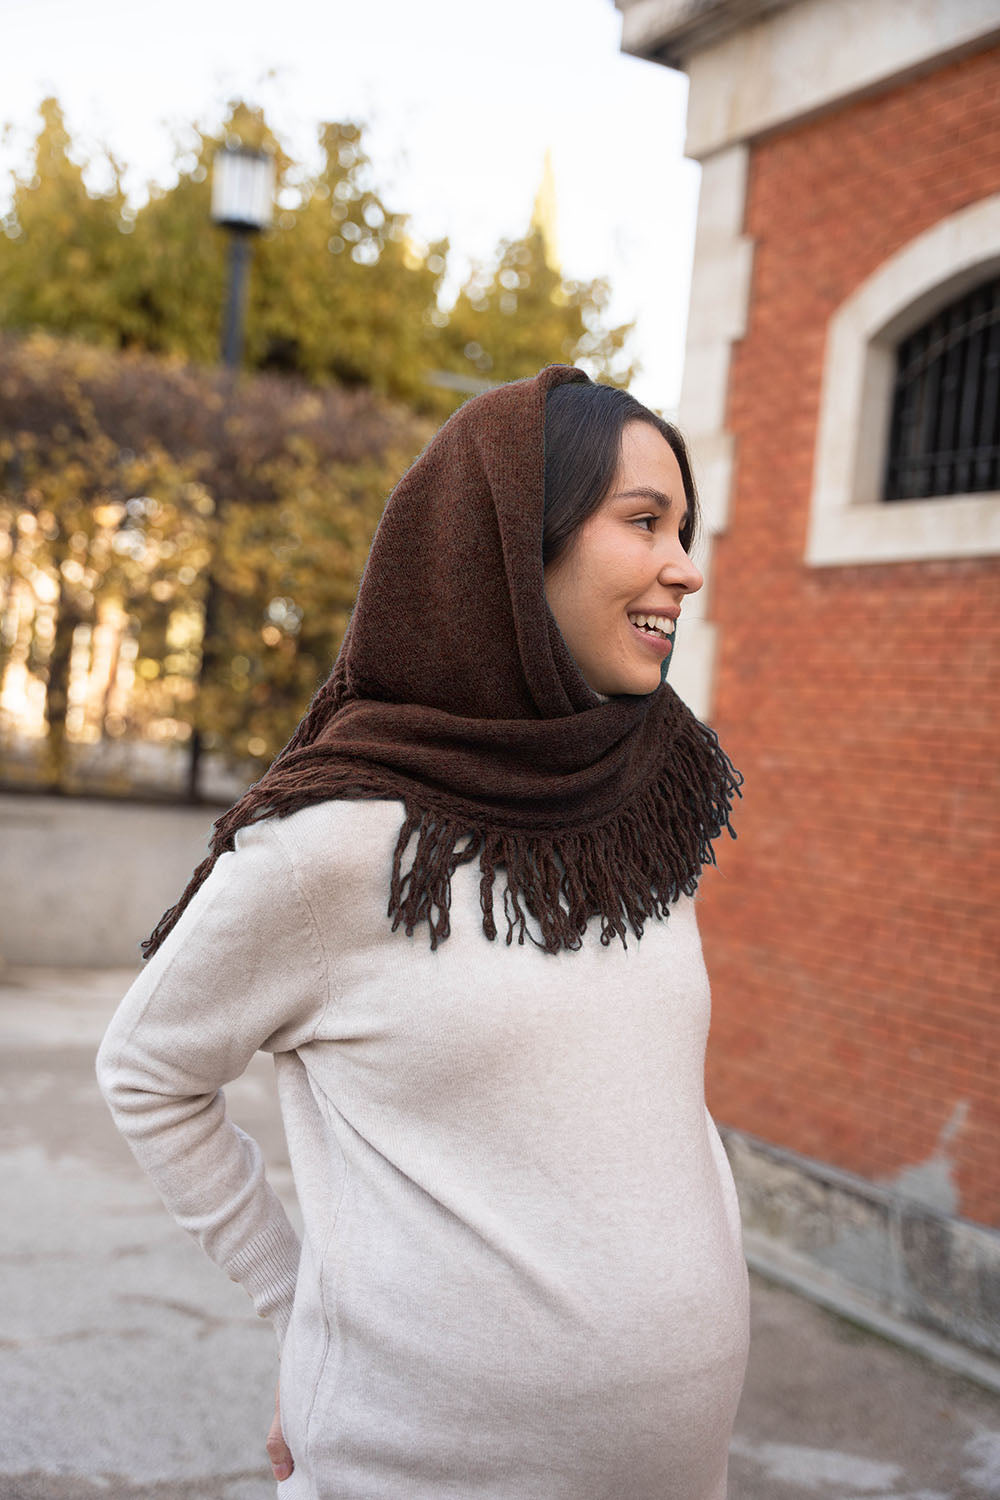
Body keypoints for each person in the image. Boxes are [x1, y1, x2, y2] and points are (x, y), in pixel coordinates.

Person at [96, 363, 750, 1500]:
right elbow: (149, 1071)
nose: (685, 567)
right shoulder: (336, 845)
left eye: (684, 530)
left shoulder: (649, 795)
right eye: (644, 522)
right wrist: (299, 1307)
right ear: (514, 546)